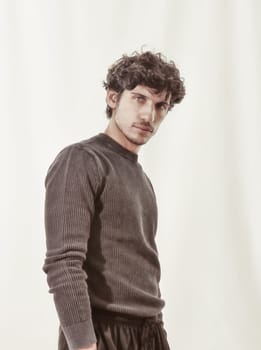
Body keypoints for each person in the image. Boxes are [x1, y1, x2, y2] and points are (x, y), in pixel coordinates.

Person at [42, 50, 185, 350]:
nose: (150, 115)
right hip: (104, 332)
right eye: (139, 98)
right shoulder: (81, 160)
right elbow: (63, 263)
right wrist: (83, 344)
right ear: (113, 98)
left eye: (161, 106)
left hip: (151, 331)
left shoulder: (141, 178)